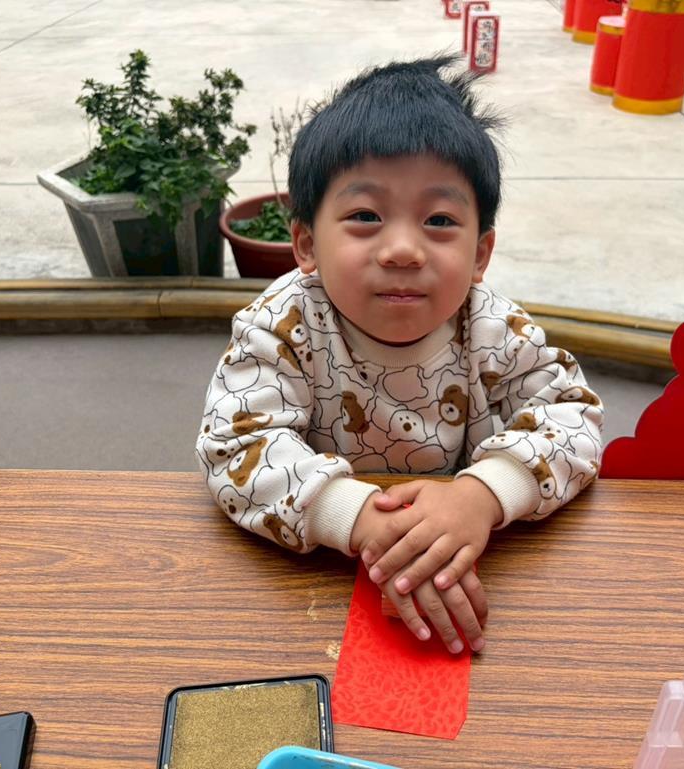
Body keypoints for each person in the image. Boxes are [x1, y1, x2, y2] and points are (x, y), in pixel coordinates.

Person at [196, 54, 603, 655]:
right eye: (365, 216)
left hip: (468, 553)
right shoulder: (282, 324)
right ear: (306, 243)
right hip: (315, 581)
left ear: (480, 253)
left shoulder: (491, 324)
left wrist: (483, 495)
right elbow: (236, 446)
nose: (404, 249)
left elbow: (573, 415)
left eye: (439, 220)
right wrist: (358, 518)